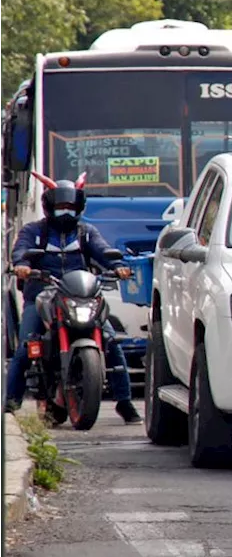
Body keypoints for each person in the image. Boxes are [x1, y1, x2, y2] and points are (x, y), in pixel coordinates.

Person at [4, 174, 140, 423]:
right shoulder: (33, 231)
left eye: (70, 207)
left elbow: (103, 250)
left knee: (112, 342)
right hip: (42, 295)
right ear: (49, 206)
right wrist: (21, 264)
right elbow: (20, 250)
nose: (65, 212)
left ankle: (125, 403)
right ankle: (10, 405)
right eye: (60, 207)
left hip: (81, 296)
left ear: (79, 207)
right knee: (26, 348)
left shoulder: (87, 233)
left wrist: (119, 265)